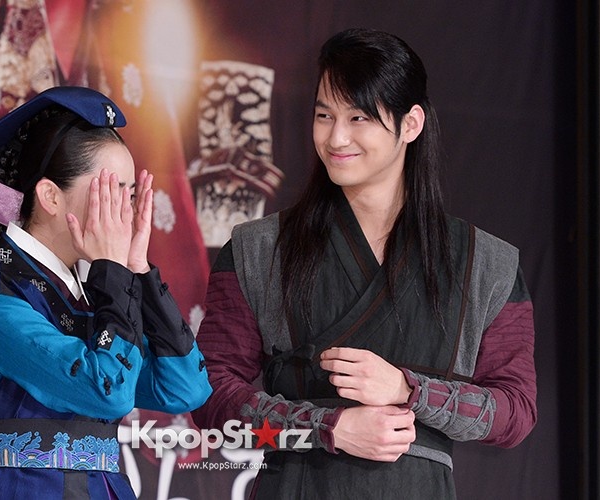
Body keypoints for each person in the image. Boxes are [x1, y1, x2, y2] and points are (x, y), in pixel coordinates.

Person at [191, 27, 536, 499]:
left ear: (410, 124)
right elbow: (207, 392)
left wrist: (409, 390)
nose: (336, 137)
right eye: (324, 115)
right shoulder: (260, 249)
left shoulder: (485, 264)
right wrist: (324, 427)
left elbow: (515, 411)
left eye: (358, 117)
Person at [0, 86, 212, 499]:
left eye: (130, 194)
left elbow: (185, 389)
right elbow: (107, 393)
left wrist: (138, 270)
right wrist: (113, 274)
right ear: (51, 196)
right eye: (111, 191)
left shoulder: (88, 294)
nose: (125, 210)